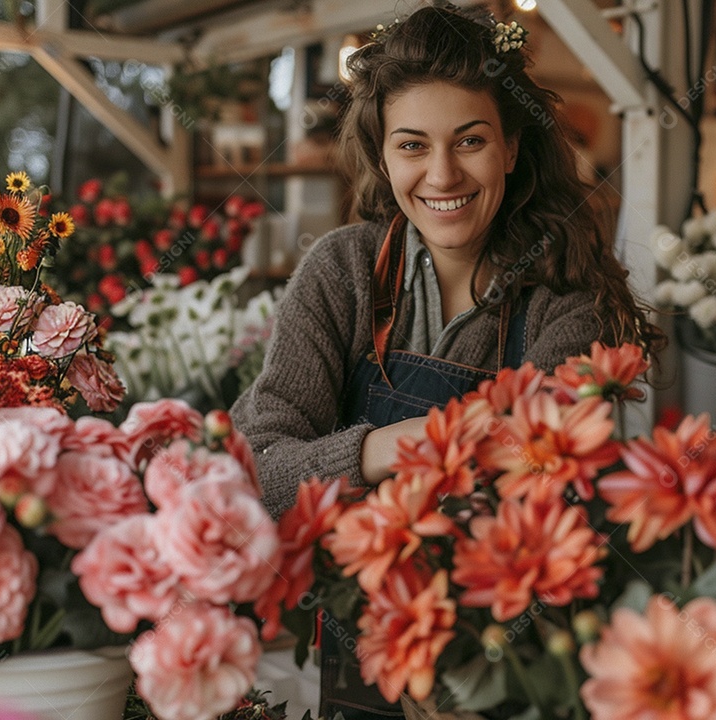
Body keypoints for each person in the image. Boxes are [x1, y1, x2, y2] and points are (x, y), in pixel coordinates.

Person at [230, 4, 660, 716]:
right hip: (364, 649)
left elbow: (539, 484)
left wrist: (349, 467)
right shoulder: (341, 272)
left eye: (470, 141)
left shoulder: (566, 305)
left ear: (511, 147)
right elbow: (255, 471)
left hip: (505, 655)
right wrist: (390, 446)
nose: (442, 174)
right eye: (412, 145)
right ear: (382, 156)